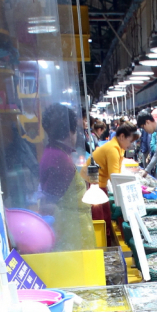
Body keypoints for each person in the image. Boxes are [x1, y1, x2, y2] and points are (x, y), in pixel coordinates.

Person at [38, 103, 96, 250]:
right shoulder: (60, 159)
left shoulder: (54, 152)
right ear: (70, 131)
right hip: (72, 234)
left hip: (71, 229)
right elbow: (49, 203)